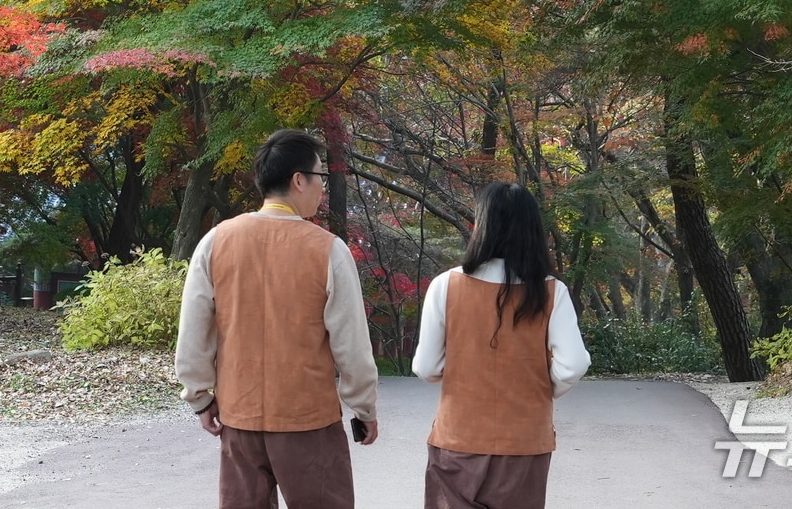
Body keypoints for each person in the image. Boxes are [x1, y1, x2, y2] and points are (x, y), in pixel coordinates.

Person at [176, 129, 380, 509]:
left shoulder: (215, 241)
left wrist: (200, 399)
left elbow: (193, 332)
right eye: (319, 177)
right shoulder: (329, 251)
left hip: (240, 418)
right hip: (309, 422)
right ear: (298, 180)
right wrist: (364, 408)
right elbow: (351, 344)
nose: (322, 188)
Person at [413, 182, 591, 509]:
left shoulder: (445, 286)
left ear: (483, 226)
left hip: (458, 437)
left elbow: (426, 367)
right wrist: (539, 388)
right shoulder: (552, 292)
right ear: (532, 230)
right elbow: (574, 364)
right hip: (525, 441)